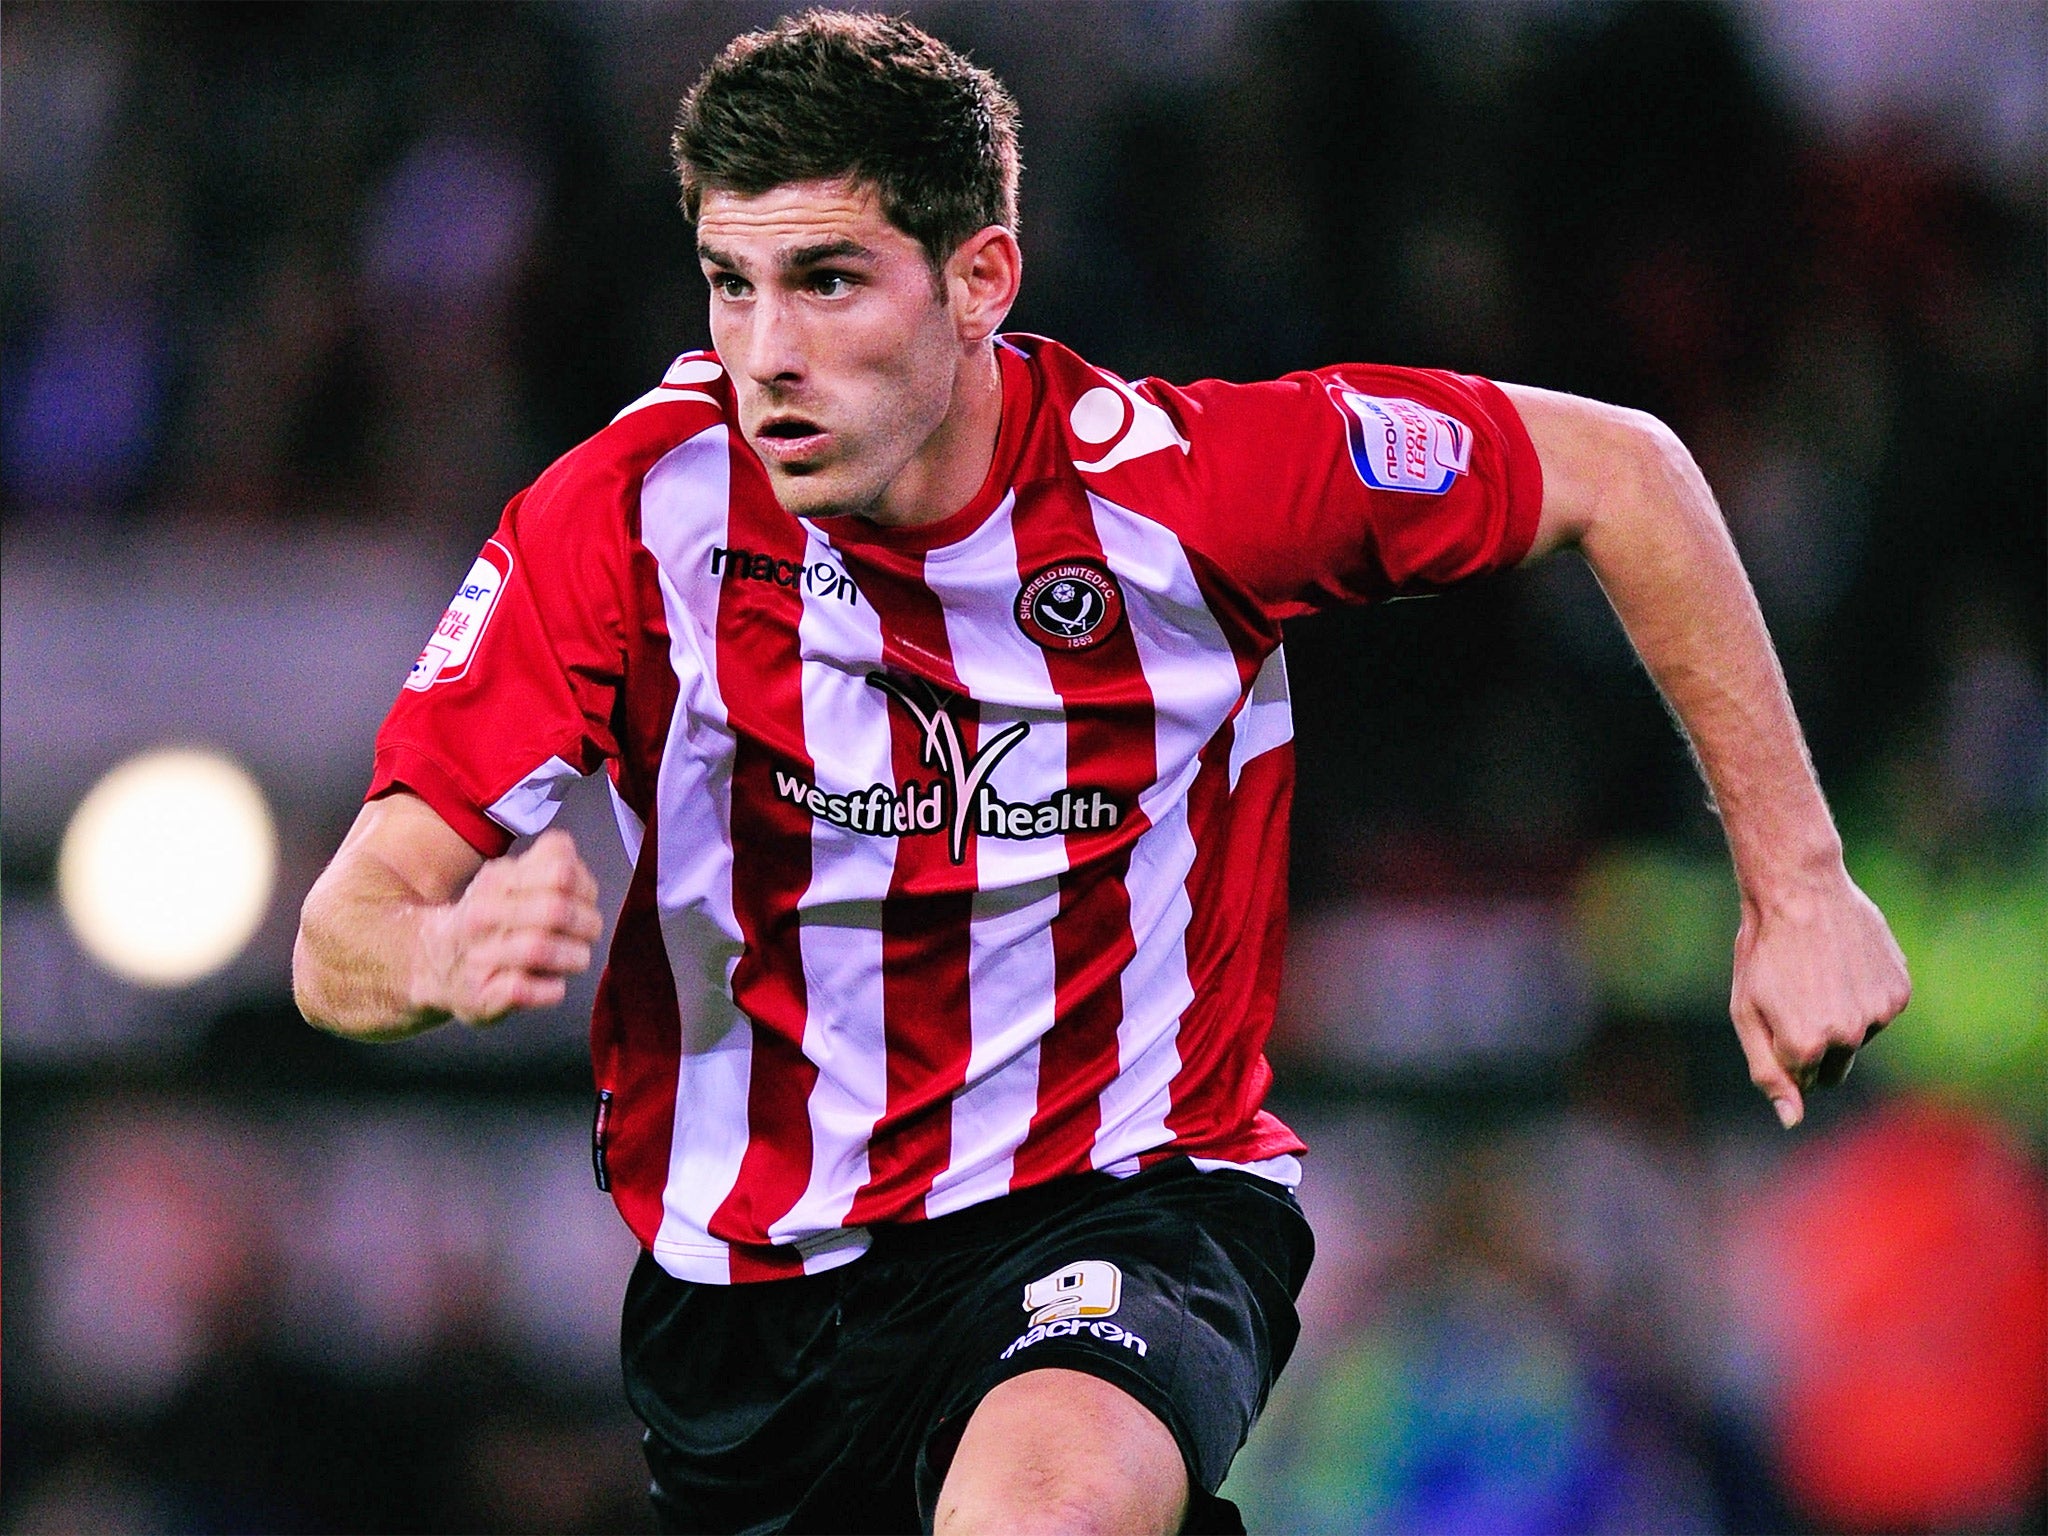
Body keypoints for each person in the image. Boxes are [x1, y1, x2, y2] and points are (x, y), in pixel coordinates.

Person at [292, 11, 1911, 1534]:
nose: (767, 351)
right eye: (731, 283)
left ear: (980, 275)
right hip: (748, 1308)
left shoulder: (1192, 497)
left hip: (1127, 1200)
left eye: (830, 282)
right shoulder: (625, 519)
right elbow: (339, 938)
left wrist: (1798, 885)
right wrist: (432, 952)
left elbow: (1626, 473)